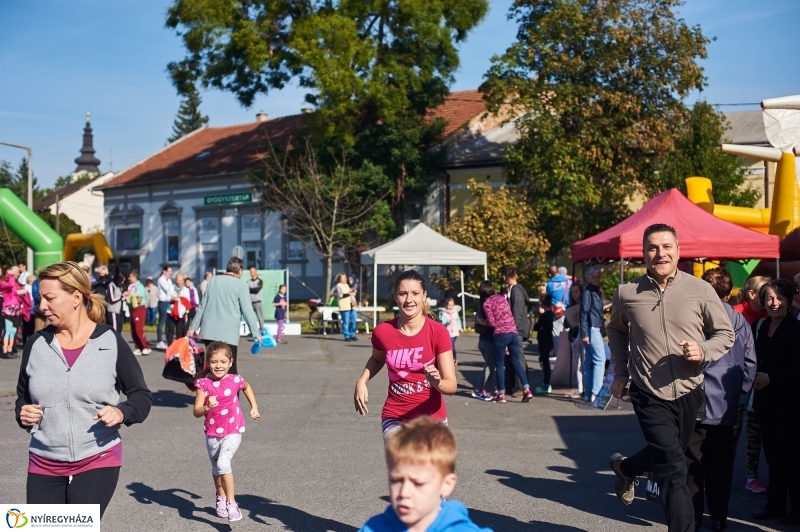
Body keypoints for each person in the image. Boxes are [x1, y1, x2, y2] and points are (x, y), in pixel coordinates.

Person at [607, 223, 734, 532]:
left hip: (690, 391)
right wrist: (621, 372)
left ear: (678, 251)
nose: (660, 253)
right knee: (674, 468)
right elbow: (616, 329)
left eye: (666, 247)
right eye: (653, 247)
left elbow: (725, 333)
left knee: (674, 455)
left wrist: (702, 350)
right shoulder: (628, 292)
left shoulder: (700, 290)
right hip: (648, 392)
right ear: (644, 254)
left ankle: (627, 467)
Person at [15, 261, 152, 518]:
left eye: (49, 298)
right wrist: (22, 412)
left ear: (76, 297)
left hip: (97, 457)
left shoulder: (110, 341)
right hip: (44, 460)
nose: (41, 306)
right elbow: (22, 397)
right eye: (40, 298)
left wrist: (122, 412)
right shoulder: (35, 344)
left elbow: (141, 397)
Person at [685, 268, 756, 531]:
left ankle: (692, 518)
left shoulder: (695, 318)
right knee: (721, 464)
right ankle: (718, 517)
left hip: (696, 401)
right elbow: (750, 364)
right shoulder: (740, 321)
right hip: (728, 403)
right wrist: (740, 394)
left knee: (693, 464)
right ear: (730, 291)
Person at [354, 270, 457, 442]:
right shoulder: (383, 331)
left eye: (415, 293)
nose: (409, 300)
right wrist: (362, 380)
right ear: (395, 297)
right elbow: (377, 359)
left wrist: (437, 382)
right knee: (405, 464)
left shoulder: (438, 332)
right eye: (403, 294)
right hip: (395, 418)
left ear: (424, 296)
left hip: (433, 419)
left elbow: (451, 386)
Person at [358, 416, 492, 532]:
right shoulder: (373, 528)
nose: (404, 492)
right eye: (396, 480)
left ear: (446, 484)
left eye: (418, 483)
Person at [750, 279, 800, 525]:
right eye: (769, 298)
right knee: (772, 458)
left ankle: (796, 510)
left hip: (790, 404)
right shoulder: (760, 326)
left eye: (779, 297)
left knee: (791, 458)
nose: (774, 303)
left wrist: (772, 378)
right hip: (765, 402)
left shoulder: (796, 329)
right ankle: (775, 505)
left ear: (789, 301)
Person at [193, 341, 260, 523]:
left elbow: (246, 387)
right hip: (212, 433)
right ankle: (220, 496)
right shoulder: (204, 384)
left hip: (233, 430)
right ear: (208, 363)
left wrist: (254, 407)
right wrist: (207, 406)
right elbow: (196, 411)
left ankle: (232, 503)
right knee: (216, 468)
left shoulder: (235, 380)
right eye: (214, 362)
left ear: (230, 362)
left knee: (223, 464)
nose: (219, 366)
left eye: (223, 362)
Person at [188, 257, 262, 377]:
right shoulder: (241, 285)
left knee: (212, 367)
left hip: (209, 332)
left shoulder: (213, 281)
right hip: (228, 335)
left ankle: (211, 394)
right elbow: (247, 311)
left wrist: (193, 327)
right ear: (240, 271)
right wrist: (256, 333)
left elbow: (202, 306)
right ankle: (231, 396)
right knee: (230, 370)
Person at [731, 275, 770, 495]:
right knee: (732, 432)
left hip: (760, 385)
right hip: (737, 383)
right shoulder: (736, 312)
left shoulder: (769, 315)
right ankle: (721, 472)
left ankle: (752, 477)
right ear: (753, 294)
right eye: (765, 291)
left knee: (755, 434)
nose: (770, 297)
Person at [477, 280, 533, 403]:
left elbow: (492, 322)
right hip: (513, 332)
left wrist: (481, 322)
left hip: (501, 334)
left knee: (499, 365)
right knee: (516, 362)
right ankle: (527, 389)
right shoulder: (502, 299)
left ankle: (501, 395)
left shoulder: (487, 303)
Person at [503, 266, 531, 393]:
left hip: (517, 329)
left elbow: (517, 311)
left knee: (518, 357)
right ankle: (518, 385)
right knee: (516, 357)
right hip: (518, 328)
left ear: (505, 277)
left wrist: (513, 328)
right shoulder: (517, 290)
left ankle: (522, 387)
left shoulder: (516, 291)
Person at [579, 267, 605, 402]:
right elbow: (584, 312)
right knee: (600, 359)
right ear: (588, 278)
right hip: (591, 329)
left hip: (591, 329)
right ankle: (596, 392)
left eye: (598, 276)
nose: (596, 278)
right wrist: (585, 333)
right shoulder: (588, 292)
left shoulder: (593, 291)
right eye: (594, 276)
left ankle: (588, 393)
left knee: (590, 362)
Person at [470, 299, 495, 402]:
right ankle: (479, 389)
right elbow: (492, 323)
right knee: (490, 366)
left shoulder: (481, 314)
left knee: (491, 366)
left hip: (483, 342)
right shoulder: (490, 316)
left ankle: (490, 389)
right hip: (489, 342)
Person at [1, 266, 28, 358]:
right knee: (8, 330)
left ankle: (10, 349)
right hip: (8, 309)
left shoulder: (15, 282)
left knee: (13, 330)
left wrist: (21, 292)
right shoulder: (3, 282)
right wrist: (10, 275)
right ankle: (5, 351)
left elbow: (14, 291)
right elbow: (10, 286)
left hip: (16, 309)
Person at [545, 265, 571, 356]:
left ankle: (559, 354)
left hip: (557, 311)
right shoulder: (568, 281)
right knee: (568, 331)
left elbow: (548, 294)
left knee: (556, 333)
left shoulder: (550, 284)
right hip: (569, 309)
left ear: (549, 274)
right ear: (558, 272)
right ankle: (569, 353)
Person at [564, 282, 584, 399]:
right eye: (572, 292)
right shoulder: (569, 306)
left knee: (586, 363)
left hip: (584, 336)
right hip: (574, 337)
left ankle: (587, 387)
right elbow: (566, 324)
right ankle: (580, 388)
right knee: (578, 364)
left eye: (576, 291)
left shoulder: (584, 304)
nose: (575, 294)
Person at [533, 294, 555, 395]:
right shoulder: (550, 315)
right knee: (544, 360)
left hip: (544, 340)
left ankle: (546, 382)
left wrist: (539, 324)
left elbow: (536, 326)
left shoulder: (546, 315)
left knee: (544, 361)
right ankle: (546, 381)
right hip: (547, 340)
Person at [125, 271, 151, 356]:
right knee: (133, 329)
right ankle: (138, 347)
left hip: (139, 308)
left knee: (138, 329)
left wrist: (131, 296)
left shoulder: (140, 286)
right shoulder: (132, 286)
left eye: (130, 277)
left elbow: (139, 299)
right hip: (133, 308)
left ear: (134, 277)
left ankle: (146, 347)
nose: (129, 278)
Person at [93, 264, 123, 333]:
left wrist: (107, 272)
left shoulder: (109, 279)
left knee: (108, 324)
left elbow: (112, 281)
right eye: (100, 269)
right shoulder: (97, 280)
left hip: (106, 305)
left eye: (103, 268)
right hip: (98, 304)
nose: (101, 271)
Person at [167, 273, 190, 345]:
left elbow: (187, 300)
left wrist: (180, 299)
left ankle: (178, 345)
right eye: (177, 280)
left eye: (180, 280)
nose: (178, 282)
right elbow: (166, 298)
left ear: (183, 281)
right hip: (171, 311)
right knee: (170, 329)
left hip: (181, 313)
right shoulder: (171, 288)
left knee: (180, 330)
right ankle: (170, 345)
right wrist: (172, 298)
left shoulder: (186, 290)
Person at [156, 265, 175, 350]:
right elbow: (168, 289)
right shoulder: (161, 280)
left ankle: (168, 340)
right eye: (168, 271)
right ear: (164, 271)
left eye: (171, 271)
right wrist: (172, 294)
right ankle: (159, 341)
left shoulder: (169, 280)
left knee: (168, 321)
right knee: (162, 321)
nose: (170, 273)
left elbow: (172, 290)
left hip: (169, 302)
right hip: (163, 302)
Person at [333, 272, 356, 342]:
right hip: (344, 306)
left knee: (353, 320)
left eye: (345, 278)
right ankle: (347, 335)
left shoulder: (346, 285)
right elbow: (340, 295)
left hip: (351, 305)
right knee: (346, 321)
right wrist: (349, 294)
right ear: (339, 279)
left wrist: (353, 292)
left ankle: (352, 334)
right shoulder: (338, 286)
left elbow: (350, 293)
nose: (345, 279)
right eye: (343, 278)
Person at [440, 298, 462, 365]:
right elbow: (443, 323)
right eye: (449, 305)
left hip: (455, 332)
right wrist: (449, 321)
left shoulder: (455, 313)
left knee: (451, 345)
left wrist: (460, 328)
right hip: (448, 332)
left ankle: (454, 359)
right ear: (446, 305)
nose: (450, 307)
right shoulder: (444, 314)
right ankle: (453, 359)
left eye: (452, 305)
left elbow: (458, 321)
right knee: (451, 346)